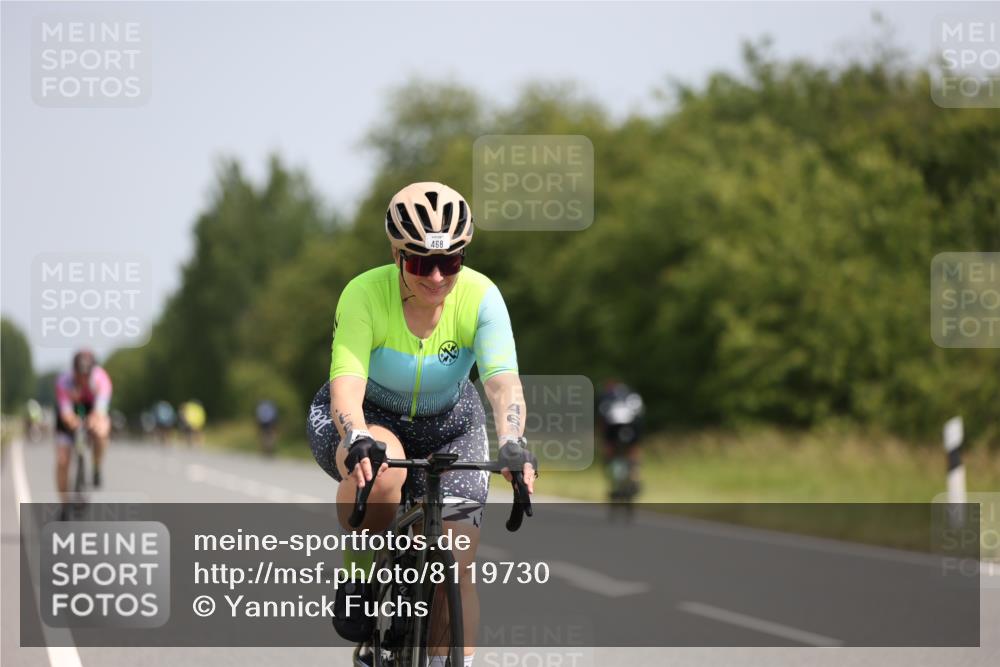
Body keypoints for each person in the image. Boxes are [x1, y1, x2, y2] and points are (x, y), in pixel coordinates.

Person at [307, 182, 537, 666]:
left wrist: (514, 441)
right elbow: (346, 383)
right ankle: (360, 571)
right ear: (396, 255)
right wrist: (357, 435)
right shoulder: (364, 294)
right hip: (368, 417)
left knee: (456, 558)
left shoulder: (481, 296)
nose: (436, 277)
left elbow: (501, 382)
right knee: (382, 471)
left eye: (450, 262)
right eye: (419, 263)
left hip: (450, 423)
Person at [54, 350, 113, 505]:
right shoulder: (64, 382)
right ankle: (64, 504)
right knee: (62, 460)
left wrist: (91, 423)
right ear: (73, 371)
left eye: (87, 374)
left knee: (102, 431)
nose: (83, 378)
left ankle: (96, 466)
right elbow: (66, 413)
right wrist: (75, 424)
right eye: (80, 374)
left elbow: (100, 411)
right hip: (69, 413)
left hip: (92, 410)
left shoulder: (102, 380)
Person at [597, 380, 645, 500]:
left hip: (613, 425)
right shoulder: (632, 394)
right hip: (633, 424)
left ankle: (611, 473)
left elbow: (602, 419)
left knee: (609, 449)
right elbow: (640, 416)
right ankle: (636, 475)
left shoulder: (606, 396)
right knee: (633, 448)